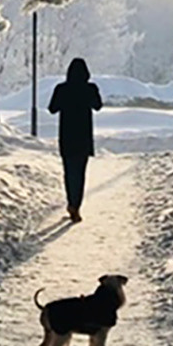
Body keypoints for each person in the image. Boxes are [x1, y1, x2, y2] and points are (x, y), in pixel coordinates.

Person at [47, 57, 102, 223]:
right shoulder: (90, 88)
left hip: (67, 136)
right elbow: (98, 106)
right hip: (83, 137)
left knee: (69, 172)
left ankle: (71, 202)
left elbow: (52, 109)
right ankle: (75, 206)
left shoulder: (62, 89)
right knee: (80, 172)